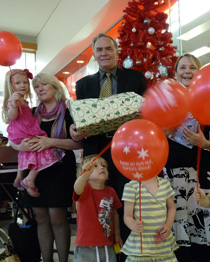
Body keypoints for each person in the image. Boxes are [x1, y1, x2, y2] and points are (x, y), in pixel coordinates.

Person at [69, 33, 147, 259]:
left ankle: (125, 254)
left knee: (125, 199)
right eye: (100, 50)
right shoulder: (83, 84)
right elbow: (79, 120)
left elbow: (147, 109)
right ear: (94, 55)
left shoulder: (135, 78)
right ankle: (102, 253)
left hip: (128, 148)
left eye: (108, 49)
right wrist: (75, 131)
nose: (104, 53)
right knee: (98, 205)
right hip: (97, 151)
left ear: (117, 52)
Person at [10, 72, 82, 262]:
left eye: (44, 85)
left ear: (55, 87)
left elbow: (79, 144)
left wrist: (50, 142)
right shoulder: (32, 112)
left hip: (59, 169)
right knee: (40, 218)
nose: (39, 89)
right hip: (35, 172)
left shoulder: (68, 111)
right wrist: (20, 146)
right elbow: (14, 139)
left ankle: (64, 260)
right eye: (36, 87)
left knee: (57, 217)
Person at [163, 53, 210, 262]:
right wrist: (165, 128)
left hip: (203, 172)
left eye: (192, 67)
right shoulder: (166, 103)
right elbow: (152, 135)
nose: (187, 71)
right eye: (182, 67)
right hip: (172, 173)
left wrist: (206, 143)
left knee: (203, 229)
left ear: (199, 73)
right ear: (175, 74)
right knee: (178, 226)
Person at [2, 69, 62, 197]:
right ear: (11, 85)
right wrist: (13, 103)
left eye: (25, 82)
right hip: (23, 131)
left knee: (29, 151)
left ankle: (19, 177)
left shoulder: (25, 102)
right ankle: (29, 179)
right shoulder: (14, 101)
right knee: (42, 150)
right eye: (18, 83)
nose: (23, 85)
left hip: (24, 130)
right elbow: (12, 116)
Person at [73, 155, 123, 262]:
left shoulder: (111, 191)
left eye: (104, 166)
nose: (102, 168)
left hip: (107, 243)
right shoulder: (85, 189)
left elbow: (115, 215)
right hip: (86, 245)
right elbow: (77, 188)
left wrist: (117, 236)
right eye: (95, 166)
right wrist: (84, 175)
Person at [121, 175, 178, 261]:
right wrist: (133, 224)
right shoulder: (131, 186)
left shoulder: (165, 183)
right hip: (141, 245)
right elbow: (127, 216)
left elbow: (171, 207)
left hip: (163, 243)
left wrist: (168, 226)